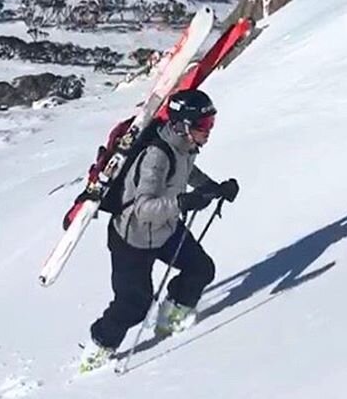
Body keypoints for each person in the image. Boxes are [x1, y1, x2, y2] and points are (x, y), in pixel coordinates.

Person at [80, 88, 239, 373]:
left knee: (201, 269)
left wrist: (213, 189)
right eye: (205, 125)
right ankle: (100, 347)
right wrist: (180, 203)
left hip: (165, 229)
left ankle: (171, 317)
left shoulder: (184, 146)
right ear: (185, 125)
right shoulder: (156, 155)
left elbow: (186, 172)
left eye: (211, 124)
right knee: (134, 303)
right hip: (133, 238)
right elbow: (142, 208)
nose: (209, 131)